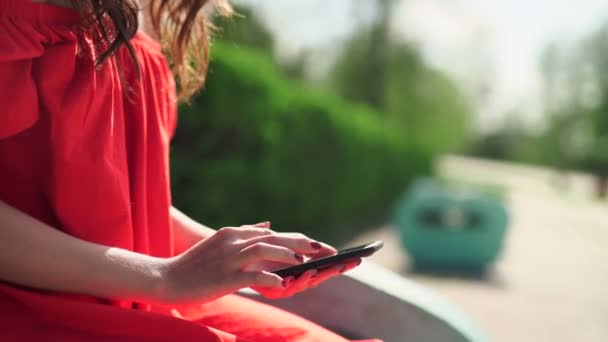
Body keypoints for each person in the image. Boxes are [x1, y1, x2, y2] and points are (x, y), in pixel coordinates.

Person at [0, 0, 381, 341]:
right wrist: (164, 277)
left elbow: (115, 204)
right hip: (31, 307)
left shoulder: (135, 13)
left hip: (137, 296)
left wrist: (240, 256)